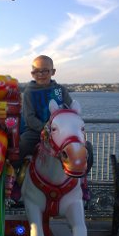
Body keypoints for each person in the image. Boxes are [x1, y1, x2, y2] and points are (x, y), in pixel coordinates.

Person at [17, 55, 92, 200]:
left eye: (45, 71)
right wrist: (45, 129)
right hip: (36, 130)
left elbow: (71, 111)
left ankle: (83, 182)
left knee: (86, 149)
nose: (41, 75)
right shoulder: (29, 92)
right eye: (36, 72)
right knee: (22, 145)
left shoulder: (60, 90)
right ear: (32, 73)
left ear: (53, 71)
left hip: (60, 132)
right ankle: (15, 178)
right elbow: (29, 117)